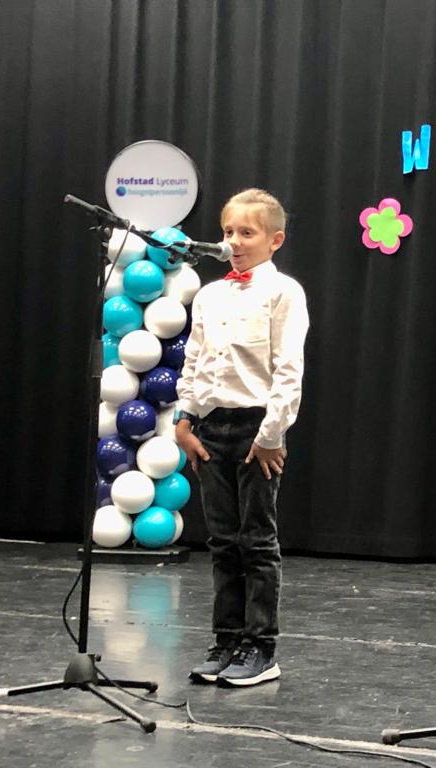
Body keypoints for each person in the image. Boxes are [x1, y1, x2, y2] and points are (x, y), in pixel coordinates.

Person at [174, 188, 309, 687]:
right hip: (211, 429)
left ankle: (260, 647)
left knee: (256, 541)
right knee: (223, 542)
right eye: (228, 231)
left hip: (256, 430)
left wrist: (272, 434)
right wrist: (184, 420)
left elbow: (288, 369)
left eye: (246, 233)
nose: (233, 241)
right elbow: (194, 361)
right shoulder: (210, 296)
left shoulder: (283, 293)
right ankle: (226, 640)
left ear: (275, 240)